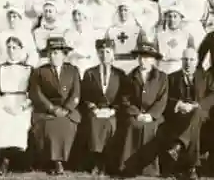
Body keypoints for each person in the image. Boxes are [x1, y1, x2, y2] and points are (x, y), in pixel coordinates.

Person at [29, 37, 81, 174]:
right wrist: (51, 108)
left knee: (67, 125)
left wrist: (66, 108)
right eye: (50, 53)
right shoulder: (39, 71)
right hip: (46, 111)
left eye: (56, 53)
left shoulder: (73, 70)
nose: (53, 56)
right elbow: (36, 93)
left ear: (64, 55)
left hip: (67, 110)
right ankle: (55, 162)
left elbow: (76, 92)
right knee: (49, 126)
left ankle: (63, 160)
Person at [165, 47, 214, 180]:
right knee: (193, 127)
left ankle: (179, 145)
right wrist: (179, 104)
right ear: (181, 61)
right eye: (185, 59)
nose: (188, 63)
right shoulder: (172, 78)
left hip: (201, 115)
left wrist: (197, 105)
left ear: (197, 61)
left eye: (191, 59)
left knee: (197, 113)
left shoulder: (206, 76)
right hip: (180, 116)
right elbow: (165, 98)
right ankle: (192, 168)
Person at [117, 39, 168, 176]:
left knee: (152, 128)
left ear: (153, 60)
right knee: (133, 126)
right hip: (136, 114)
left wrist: (151, 115)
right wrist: (136, 113)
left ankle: (149, 169)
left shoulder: (162, 77)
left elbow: (162, 100)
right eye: (141, 57)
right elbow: (125, 99)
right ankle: (129, 166)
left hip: (154, 116)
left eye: (147, 57)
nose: (143, 60)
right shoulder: (131, 76)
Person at [80, 38, 125, 174]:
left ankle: (107, 162)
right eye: (101, 52)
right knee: (94, 123)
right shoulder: (89, 73)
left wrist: (114, 110)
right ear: (97, 54)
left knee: (111, 124)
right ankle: (97, 161)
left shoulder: (120, 74)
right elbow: (85, 95)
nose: (104, 55)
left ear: (113, 53)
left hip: (113, 111)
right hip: (95, 110)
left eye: (107, 51)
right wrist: (93, 108)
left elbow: (124, 97)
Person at [0, 36, 34, 174]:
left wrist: (21, 107)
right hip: (4, 101)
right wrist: (4, 105)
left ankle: (14, 161)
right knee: (2, 121)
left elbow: (33, 92)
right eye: (8, 47)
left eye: (15, 47)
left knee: (20, 122)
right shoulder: (0, 68)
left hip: (23, 102)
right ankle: (4, 160)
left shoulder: (29, 68)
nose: (11, 50)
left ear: (21, 49)